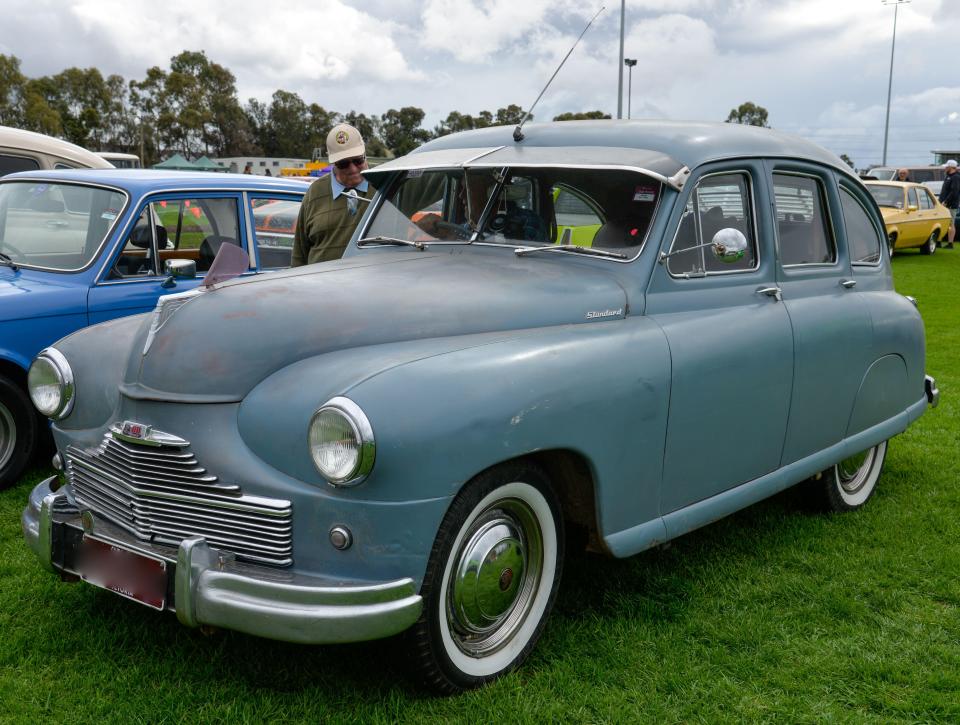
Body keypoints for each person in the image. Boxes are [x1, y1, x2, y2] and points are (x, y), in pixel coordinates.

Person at [291, 123, 371, 266]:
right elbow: (299, 254)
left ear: (365, 153)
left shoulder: (386, 184)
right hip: (322, 286)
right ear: (333, 162)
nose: (352, 168)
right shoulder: (314, 193)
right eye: (343, 163)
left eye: (358, 160)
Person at [938, 159, 959, 249]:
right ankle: (938, 241)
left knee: (951, 223)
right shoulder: (948, 176)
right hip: (943, 204)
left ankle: (950, 243)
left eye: (946, 166)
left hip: (950, 204)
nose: (945, 168)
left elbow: (954, 191)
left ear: (951, 167)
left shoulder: (956, 177)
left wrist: (946, 202)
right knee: (941, 222)